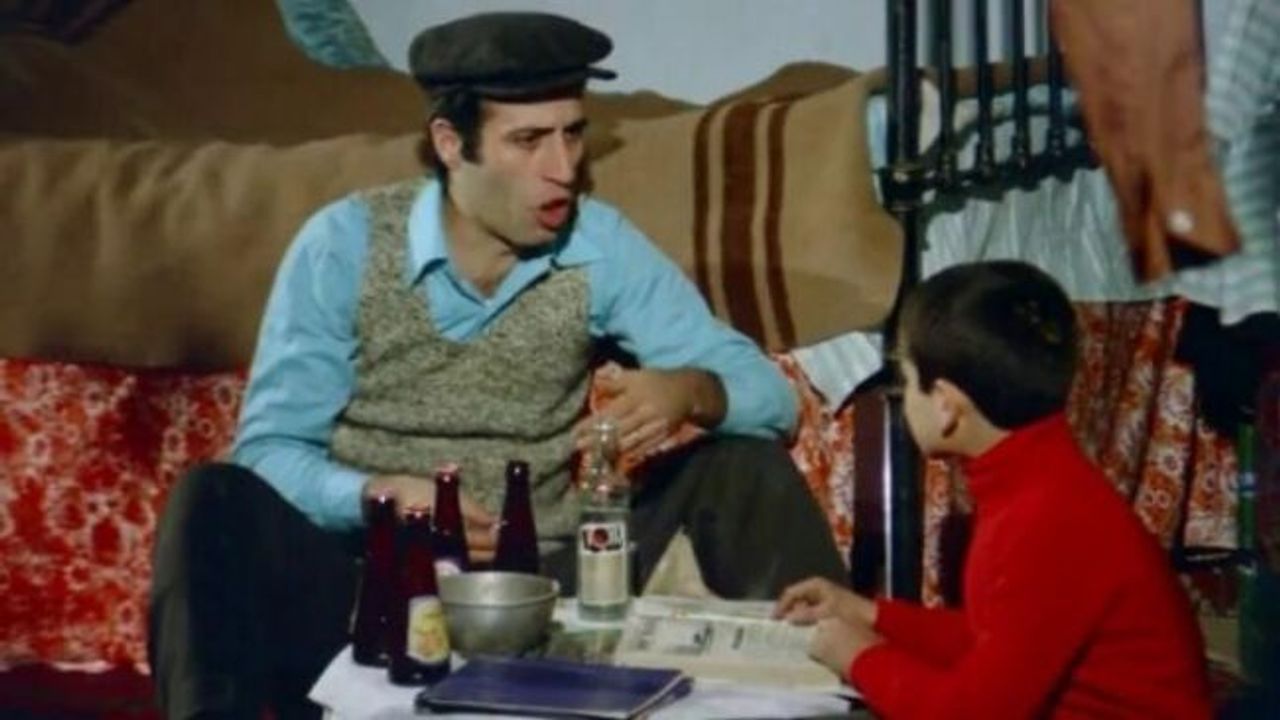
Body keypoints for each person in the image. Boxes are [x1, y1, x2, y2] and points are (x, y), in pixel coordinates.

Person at [147, 11, 844, 720]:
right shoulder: (343, 244)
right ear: (451, 145)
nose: (563, 169)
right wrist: (378, 495)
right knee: (210, 499)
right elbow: (268, 454)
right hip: (374, 591)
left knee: (744, 466)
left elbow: (772, 399)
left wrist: (693, 390)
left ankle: (847, 686)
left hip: (546, 587)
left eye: (573, 134)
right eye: (528, 141)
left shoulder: (600, 245)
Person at [775, 261, 1213, 718]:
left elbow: (973, 712)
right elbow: (994, 644)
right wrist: (869, 615)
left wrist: (858, 656)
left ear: (946, 405)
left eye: (906, 381)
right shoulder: (1040, 480)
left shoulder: (1047, 518)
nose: (905, 400)